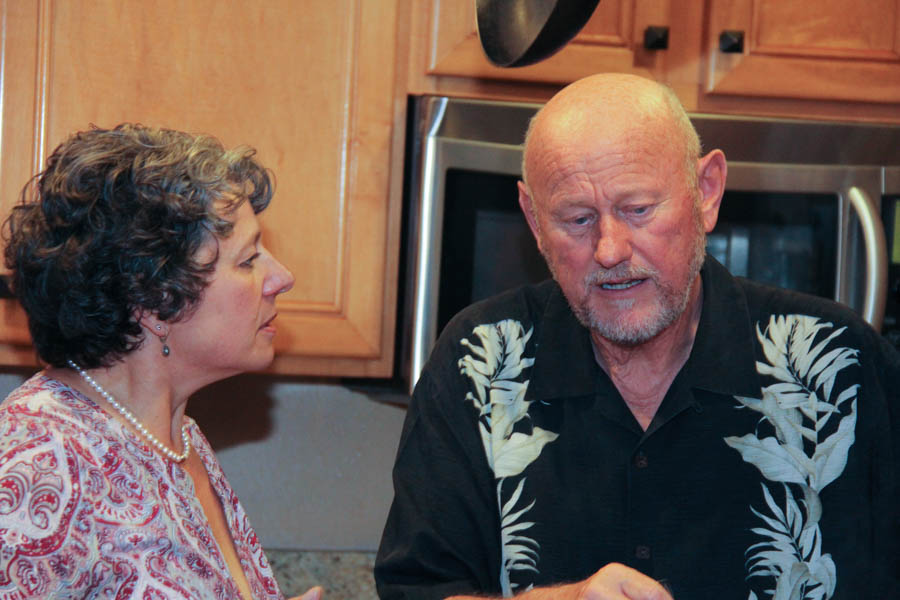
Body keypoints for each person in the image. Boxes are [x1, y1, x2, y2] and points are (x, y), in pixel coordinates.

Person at [374, 74, 900, 599]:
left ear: (707, 191)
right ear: (534, 220)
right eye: (577, 219)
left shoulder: (840, 365)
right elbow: (416, 591)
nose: (609, 250)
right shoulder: (479, 363)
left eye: (638, 210)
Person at [0, 124, 322, 600]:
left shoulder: (176, 437)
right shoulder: (41, 459)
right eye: (249, 260)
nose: (282, 277)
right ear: (154, 300)